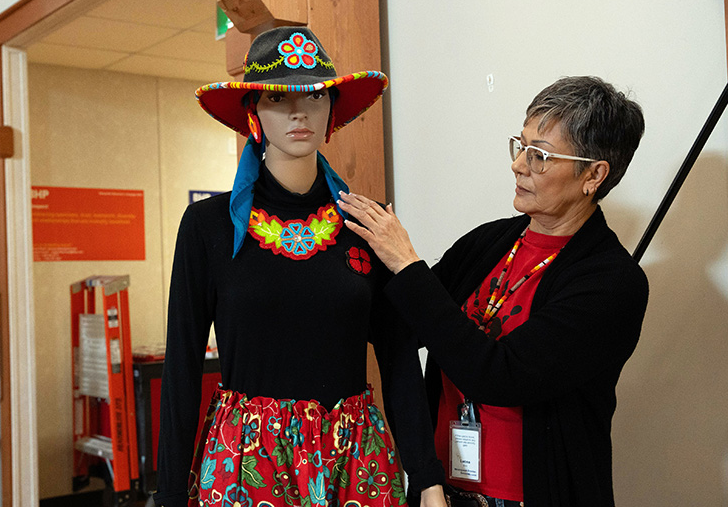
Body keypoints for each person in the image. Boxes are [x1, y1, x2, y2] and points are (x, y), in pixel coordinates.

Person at [154, 27, 445, 507]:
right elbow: (182, 365)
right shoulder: (208, 226)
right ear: (253, 111)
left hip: (354, 462)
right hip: (246, 464)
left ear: (331, 109)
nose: (297, 111)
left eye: (313, 95)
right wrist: (168, 495)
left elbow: (397, 359)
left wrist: (427, 477)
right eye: (276, 95)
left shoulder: (367, 222)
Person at [339, 76, 648, 507]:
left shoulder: (612, 282)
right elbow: (401, 327)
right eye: (520, 146)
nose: (519, 165)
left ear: (593, 175)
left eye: (539, 155)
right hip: (441, 493)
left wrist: (408, 265)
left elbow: (500, 376)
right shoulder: (488, 244)